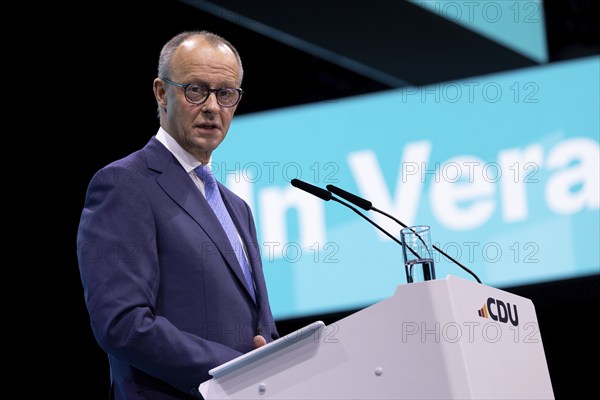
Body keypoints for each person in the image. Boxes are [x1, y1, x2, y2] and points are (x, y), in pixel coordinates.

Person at [77, 31, 279, 399]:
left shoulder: (237, 208)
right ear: (160, 92)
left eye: (226, 93)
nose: (212, 107)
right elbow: (122, 325)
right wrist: (237, 369)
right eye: (196, 90)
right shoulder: (125, 184)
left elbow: (259, 328)